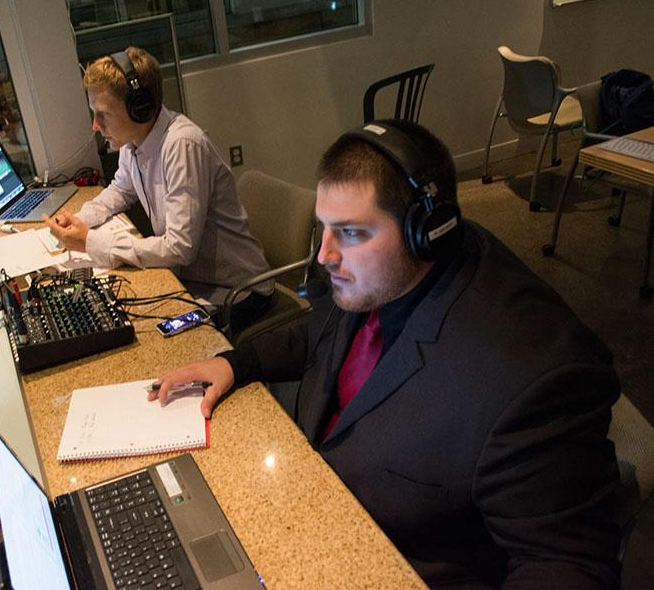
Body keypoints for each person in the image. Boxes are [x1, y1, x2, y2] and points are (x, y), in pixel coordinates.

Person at [151, 120, 622, 588]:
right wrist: (236, 363)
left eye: (352, 233)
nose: (325, 256)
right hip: (319, 515)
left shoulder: (532, 378)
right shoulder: (375, 277)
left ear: (429, 231)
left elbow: (569, 566)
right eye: (323, 228)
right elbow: (319, 332)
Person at [45, 47, 272, 329]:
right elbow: (120, 190)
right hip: (191, 280)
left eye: (103, 114)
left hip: (236, 292)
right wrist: (79, 221)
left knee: (147, 331)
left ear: (139, 108)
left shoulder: (182, 146)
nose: (95, 125)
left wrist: (91, 242)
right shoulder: (133, 143)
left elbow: (179, 248)